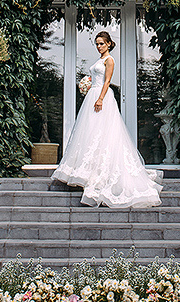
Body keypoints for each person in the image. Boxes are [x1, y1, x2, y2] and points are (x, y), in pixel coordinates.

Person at [52, 31, 162, 207]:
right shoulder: (99, 60)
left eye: (101, 43)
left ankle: (100, 174)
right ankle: (86, 171)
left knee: (103, 132)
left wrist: (100, 99)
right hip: (92, 95)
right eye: (97, 43)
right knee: (90, 133)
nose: (99, 46)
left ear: (109, 44)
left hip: (101, 97)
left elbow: (107, 81)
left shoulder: (109, 60)